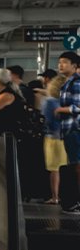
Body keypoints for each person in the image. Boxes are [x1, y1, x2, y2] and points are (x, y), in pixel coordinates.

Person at [53, 51, 80, 213]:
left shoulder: (76, 83)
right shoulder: (68, 82)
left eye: (64, 62)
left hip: (74, 128)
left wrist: (61, 109)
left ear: (74, 65)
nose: (60, 65)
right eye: (60, 62)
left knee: (77, 165)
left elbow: (78, 106)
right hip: (69, 129)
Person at [42, 73, 66, 205]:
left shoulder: (49, 101)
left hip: (52, 137)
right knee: (68, 168)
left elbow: (45, 120)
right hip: (68, 136)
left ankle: (55, 196)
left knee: (54, 169)